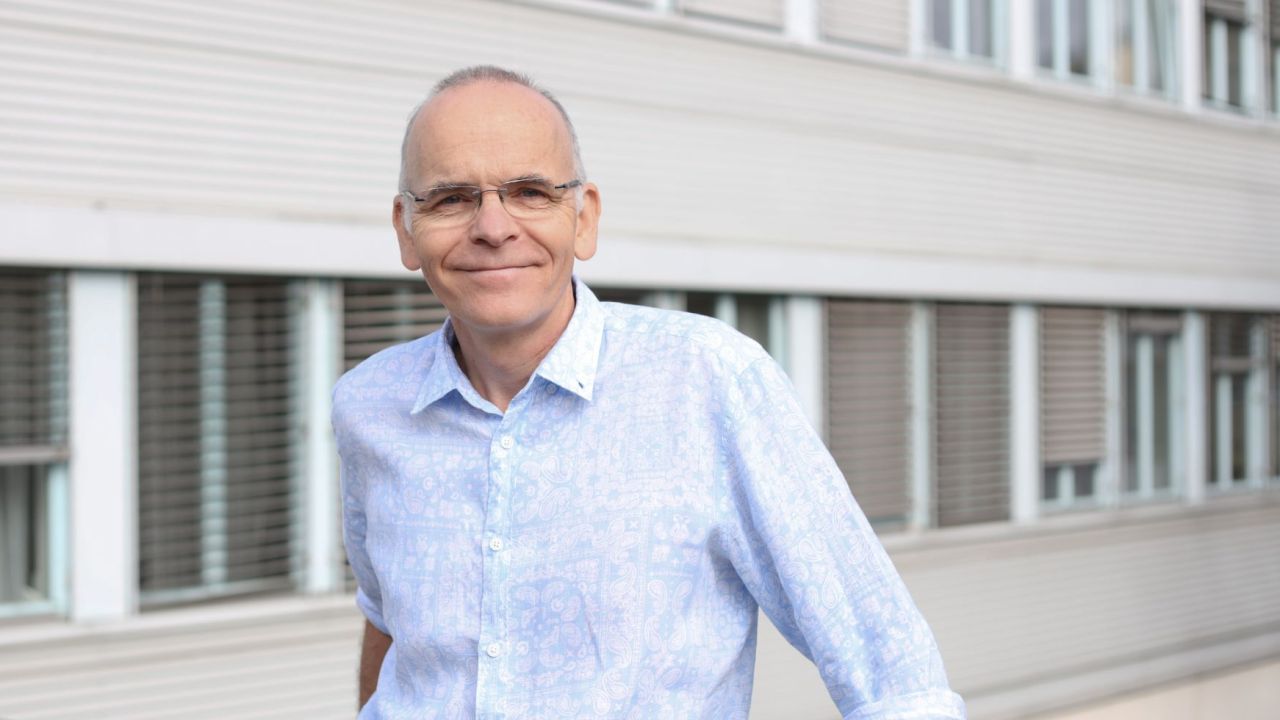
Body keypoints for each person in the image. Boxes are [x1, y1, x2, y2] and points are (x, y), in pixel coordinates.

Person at [333, 65, 965, 720]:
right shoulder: (366, 403)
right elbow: (388, 622)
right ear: (406, 228)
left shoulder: (709, 380)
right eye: (451, 199)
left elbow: (892, 673)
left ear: (584, 218)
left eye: (530, 192)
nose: (493, 227)